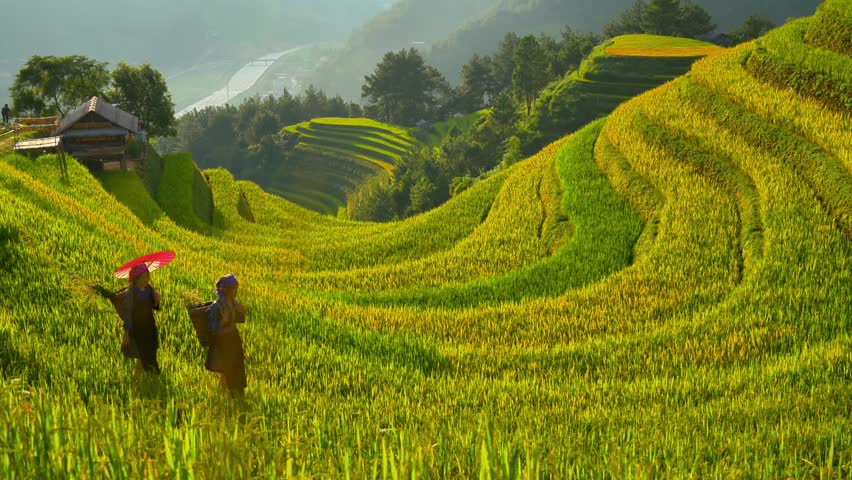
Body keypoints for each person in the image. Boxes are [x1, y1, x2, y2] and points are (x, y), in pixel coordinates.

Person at [206, 274, 246, 396]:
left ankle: (239, 390)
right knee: (229, 365)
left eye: (237, 288)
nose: (236, 291)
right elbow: (212, 329)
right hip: (224, 341)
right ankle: (232, 391)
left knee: (238, 364)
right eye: (234, 289)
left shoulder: (234, 303)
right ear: (227, 290)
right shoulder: (216, 307)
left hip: (234, 338)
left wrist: (240, 311)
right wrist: (223, 322)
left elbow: (240, 320)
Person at [123, 264, 162, 374]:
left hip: (149, 324)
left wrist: (156, 300)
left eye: (148, 277)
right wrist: (127, 333)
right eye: (144, 277)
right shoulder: (131, 292)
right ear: (136, 279)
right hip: (138, 327)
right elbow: (128, 313)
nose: (147, 280)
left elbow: (153, 307)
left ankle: (153, 373)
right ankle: (147, 374)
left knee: (152, 349)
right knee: (142, 351)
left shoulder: (149, 289)